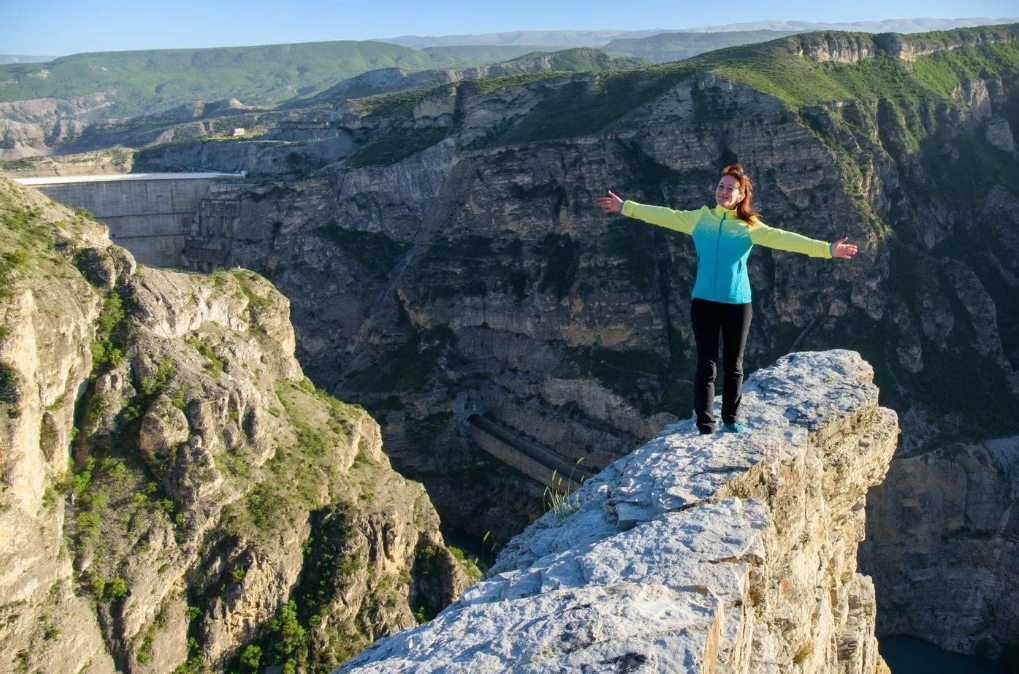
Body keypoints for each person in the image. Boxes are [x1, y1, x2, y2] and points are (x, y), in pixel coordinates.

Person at [597, 163, 858, 434]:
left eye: (730, 188)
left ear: (741, 195)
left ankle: (731, 420)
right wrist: (625, 206)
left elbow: (787, 240)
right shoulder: (699, 218)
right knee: (706, 364)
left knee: (734, 365)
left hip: (737, 304)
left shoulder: (750, 226)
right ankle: (705, 424)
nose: (723, 191)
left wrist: (828, 249)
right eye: (720, 186)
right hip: (704, 303)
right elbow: (663, 214)